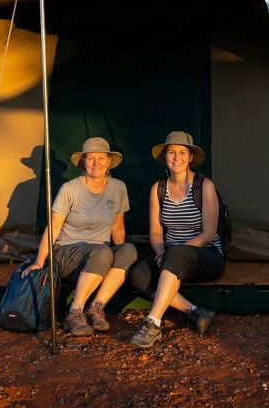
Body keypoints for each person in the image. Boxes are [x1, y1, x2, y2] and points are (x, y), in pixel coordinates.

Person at [23, 136, 137, 336]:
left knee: (128, 250)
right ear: (83, 161)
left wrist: (120, 260)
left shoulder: (118, 187)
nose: (96, 163)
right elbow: (53, 229)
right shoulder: (70, 188)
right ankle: (74, 311)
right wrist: (40, 262)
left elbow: (118, 228)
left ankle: (95, 308)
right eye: (90, 158)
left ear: (109, 161)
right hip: (66, 254)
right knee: (102, 252)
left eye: (101, 158)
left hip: (100, 256)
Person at [129, 131, 225, 348]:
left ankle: (153, 323)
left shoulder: (204, 185)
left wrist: (172, 253)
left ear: (191, 157)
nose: (176, 157)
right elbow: (155, 231)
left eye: (182, 152)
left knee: (177, 253)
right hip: (171, 257)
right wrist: (162, 252)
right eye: (171, 152)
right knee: (139, 273)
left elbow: (209, 233)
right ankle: (195, 312)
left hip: (206, 256)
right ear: (165, 157)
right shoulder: (158, 188)